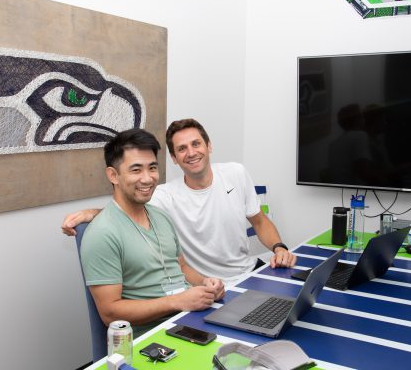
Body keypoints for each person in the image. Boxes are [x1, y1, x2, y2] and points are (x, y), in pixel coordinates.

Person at [64, 119, 297, 285]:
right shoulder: (165, 196)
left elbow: (259, 221)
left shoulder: (236, 173)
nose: (191, 152)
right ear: (174, 159)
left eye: (196, 144)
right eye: (182, 149)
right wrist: (91, 213)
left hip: (251, 272)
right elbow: (126, 206)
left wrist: (279, 248)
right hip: (211, 286)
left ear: (209, 146)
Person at [81, 128, 224, 337]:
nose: (148, 179)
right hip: (154, 336)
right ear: (113, 175)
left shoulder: (160, 216)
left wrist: (205, 284)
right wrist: (177, 301)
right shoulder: (102, 233)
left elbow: (181, 267)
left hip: (191, 318)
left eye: (153, 168)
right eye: (136, 170)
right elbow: (110, 313)